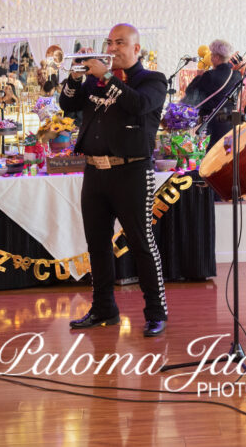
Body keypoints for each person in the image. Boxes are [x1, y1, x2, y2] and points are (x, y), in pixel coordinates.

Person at [59, 24, 169, 337]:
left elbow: (137, 105)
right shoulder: (95, 82)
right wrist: (75, 77)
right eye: (110, 42)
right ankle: (104, 309)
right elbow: (68, 104)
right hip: (95, 172)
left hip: (132, 172)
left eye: (121, 43)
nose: (113, 48)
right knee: (97, 245)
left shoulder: (153, 81)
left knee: (141, 242)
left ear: (137, 49)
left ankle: (156, 312)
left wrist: (105, 77)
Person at [183, 39, 240, 149]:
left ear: (217, 57)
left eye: (212, 54)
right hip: (229, 123)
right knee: (225, 152)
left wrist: (198, 76)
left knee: (210, 154)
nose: (211, 57)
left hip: (211, 122)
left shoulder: (209, 75)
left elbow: (190, 92)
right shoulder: (237, 75)